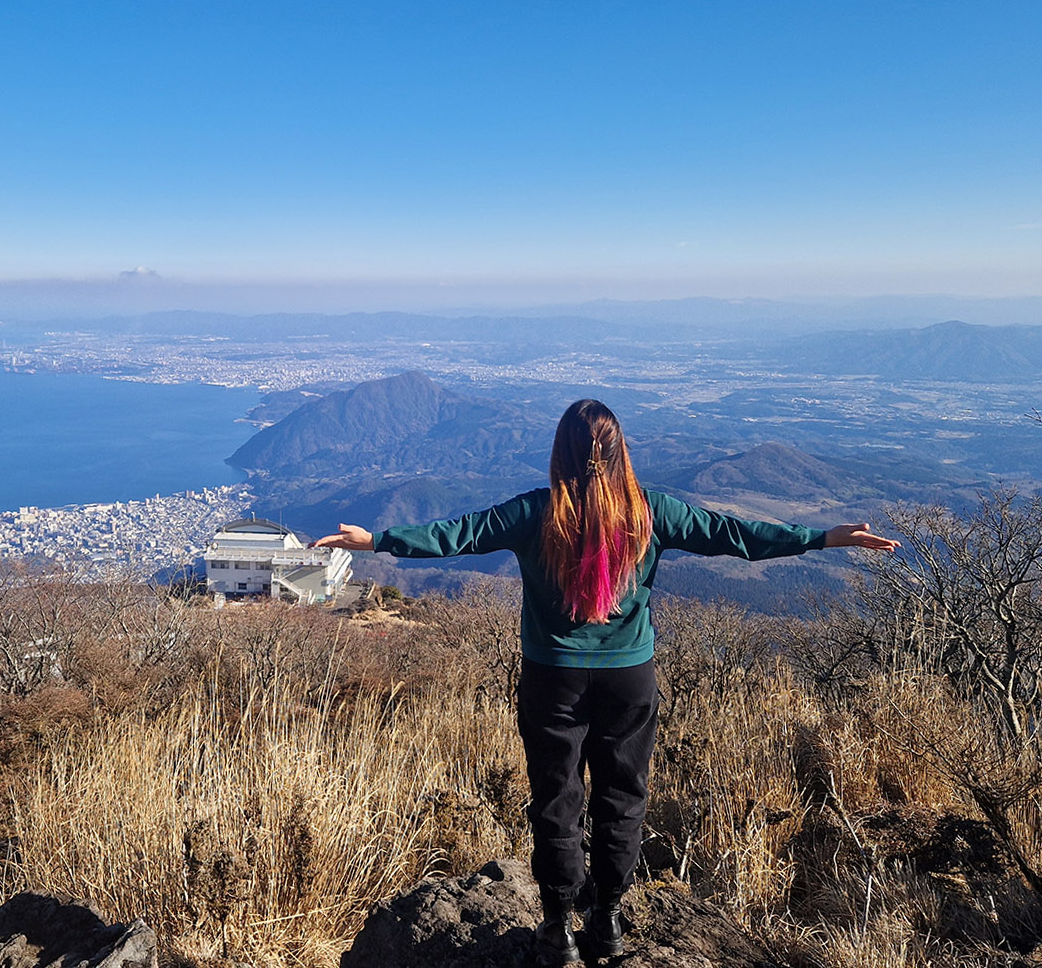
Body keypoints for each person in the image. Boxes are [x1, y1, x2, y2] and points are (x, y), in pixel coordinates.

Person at [314, 399, 899, 965]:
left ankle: (557, 927)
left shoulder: (534, 513)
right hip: (629, 679)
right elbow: (737, 536)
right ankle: (610, 921)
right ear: (621, 453)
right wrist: (823, 537)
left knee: (556, 800)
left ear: (559, 455)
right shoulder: (651, 512)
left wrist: (377, 541)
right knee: (622, 798)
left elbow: (456, 534)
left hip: (554, 678)